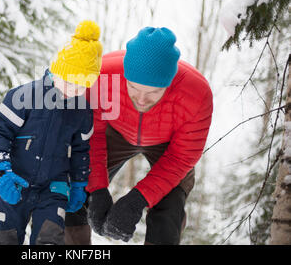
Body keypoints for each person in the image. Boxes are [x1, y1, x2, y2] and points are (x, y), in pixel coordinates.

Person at [64, 26, 213, 245]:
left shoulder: (196, 94)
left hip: (167, 143)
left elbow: (181, 158)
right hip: (114, 131)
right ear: (124, 76)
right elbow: (89, 136)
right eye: (134, 88)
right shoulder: (102, 76)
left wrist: (137, 200)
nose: (142, 100)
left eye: (153, 92)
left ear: (169, 83)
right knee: (76, 183)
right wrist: (97, 189)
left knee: (171, 201)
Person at [0, 21, 102, 245]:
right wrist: (1, 172)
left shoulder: (82, 111)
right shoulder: (24, 97)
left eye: (81, 86)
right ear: (57, 71)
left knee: (49, 241)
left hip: (53, 188)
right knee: (5, 239)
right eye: (69, 82)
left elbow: (80, 150)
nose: (73, 91)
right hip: (15, 180)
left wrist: (78, 184)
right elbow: (0, 131)